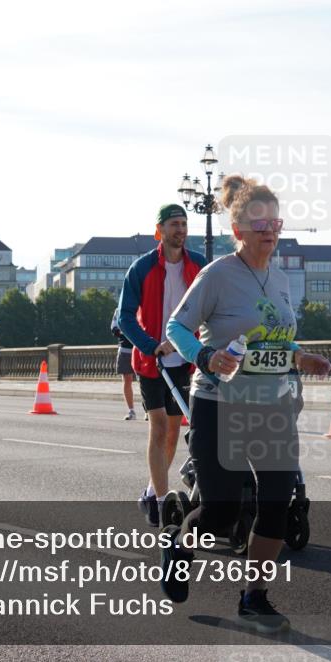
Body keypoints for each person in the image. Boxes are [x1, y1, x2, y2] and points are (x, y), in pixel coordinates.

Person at [163, 175, 331, 633]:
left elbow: (279, 338)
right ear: (237, 229)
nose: (268, 230)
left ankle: (254, 597)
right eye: (258, 223)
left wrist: (302, 355)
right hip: (219, 403)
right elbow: (176, 328)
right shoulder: (217, 275)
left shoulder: (280, 278)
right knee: (220, 511)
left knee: (276, 502)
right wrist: (203, 354)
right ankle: (181, 546)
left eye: (274, 221)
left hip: (272, 405)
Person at [118, 204, 208, 527]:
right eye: (174, 224)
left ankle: (151, 489)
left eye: (184, 224)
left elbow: (213, 306)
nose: (180, 230)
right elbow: (124, 316)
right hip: (151, 360)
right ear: (160, 231)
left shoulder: (198, 265)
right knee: (157, 427)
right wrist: (149, 345)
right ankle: (159, 501)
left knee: (173, 431)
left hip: (185, 359)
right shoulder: (141, 269)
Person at [111, 307, 137, 420]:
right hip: (125, 350)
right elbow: (113, 328)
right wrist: (125, 331)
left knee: (146, 381)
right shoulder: (119, 310)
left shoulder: (141, 306)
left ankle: (148, 410)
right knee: (127, 380)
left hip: (141, 349)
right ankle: (131, 411)